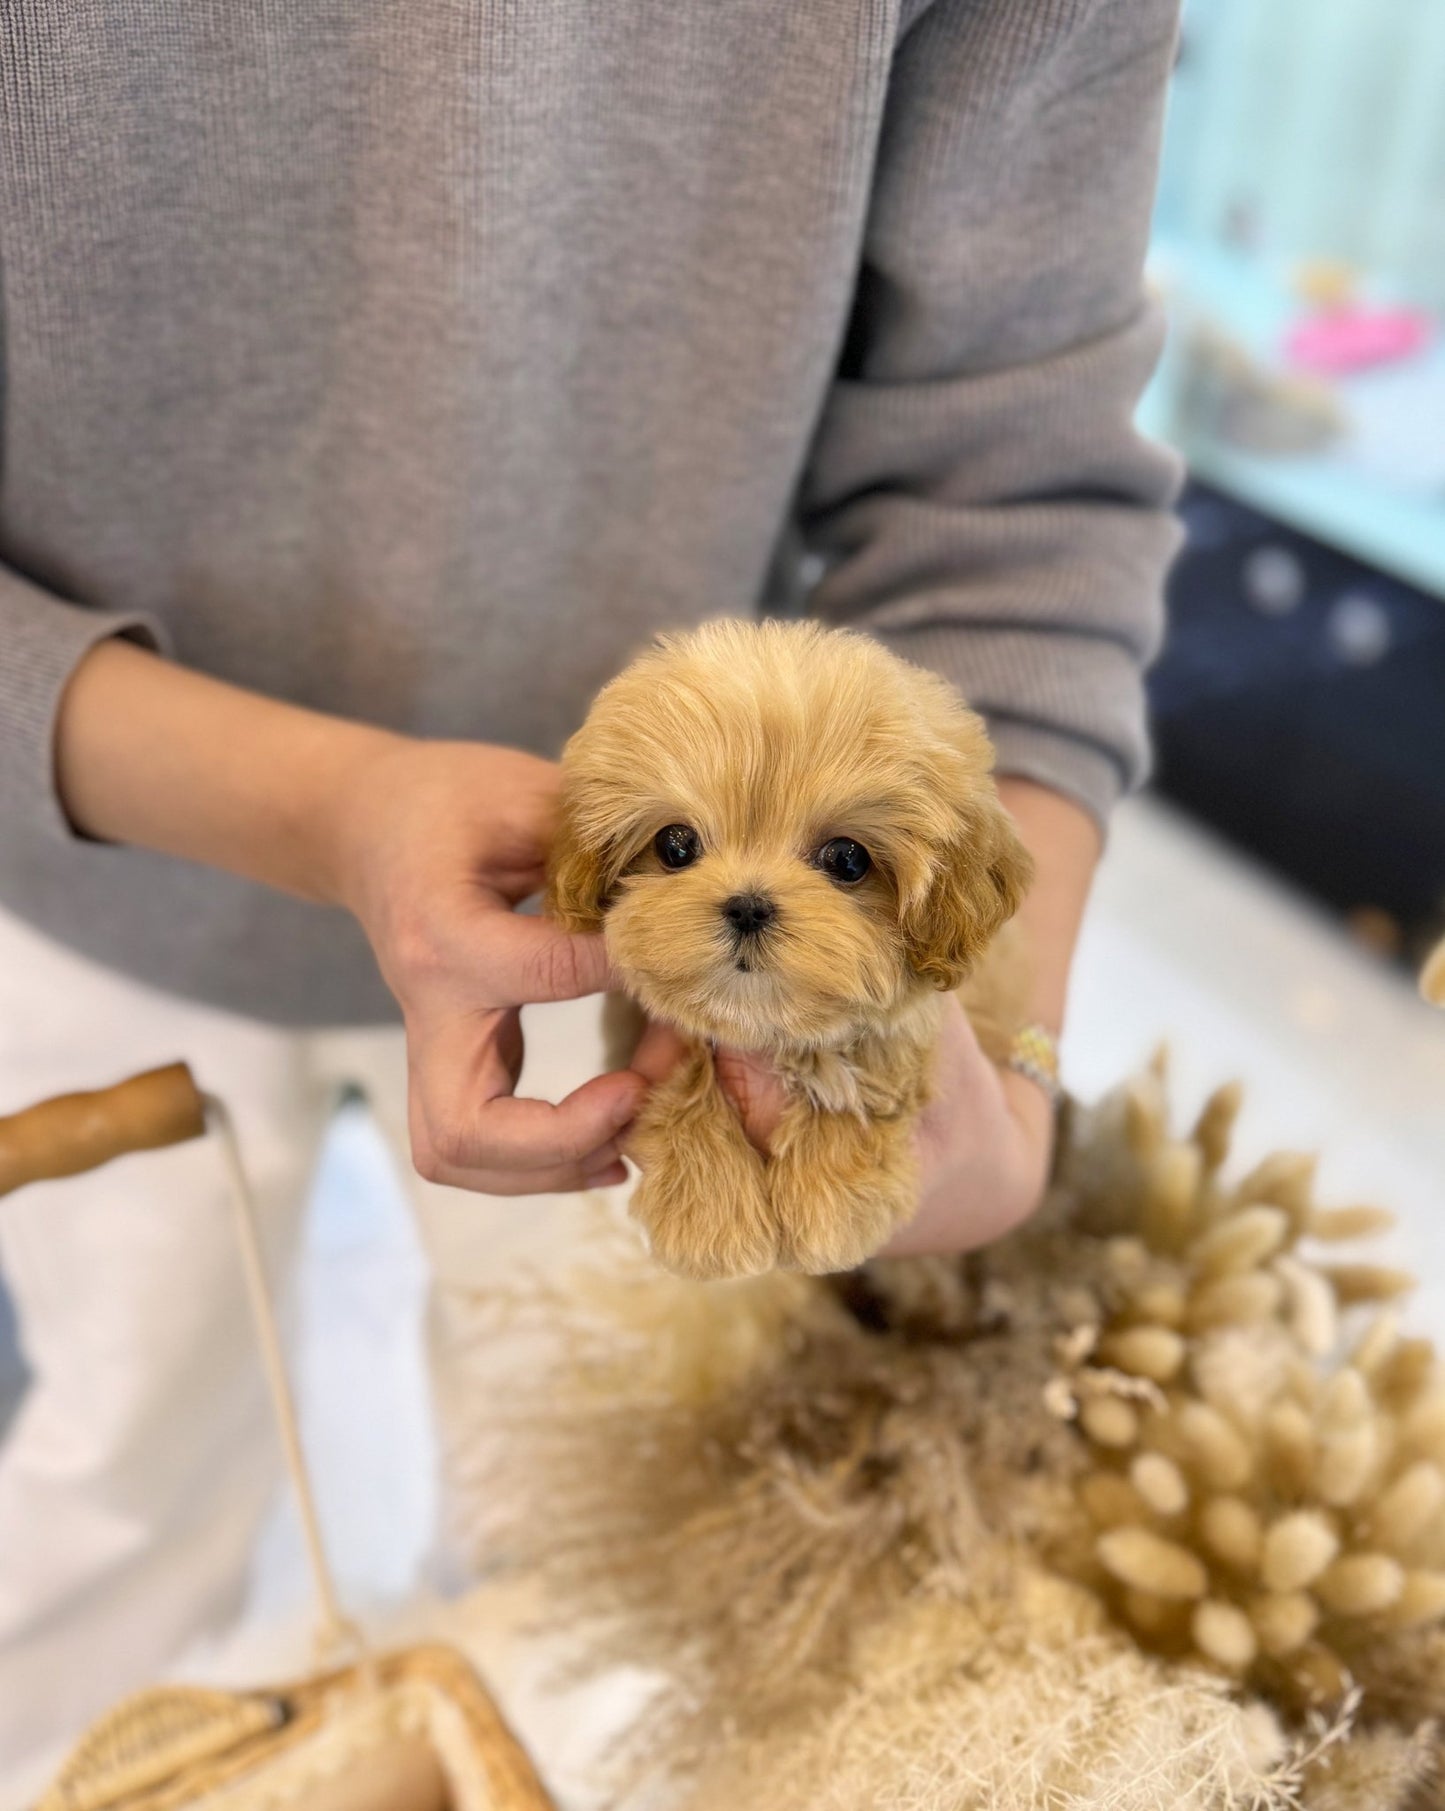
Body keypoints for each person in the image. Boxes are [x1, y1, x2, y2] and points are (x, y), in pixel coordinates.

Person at [0, 0, 1183, 1765]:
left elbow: (1015, 476)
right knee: (112, 1482)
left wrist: (992, 1069)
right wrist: (322, 806)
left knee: (598, 1564)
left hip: (648, 1031)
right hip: (87, 858)